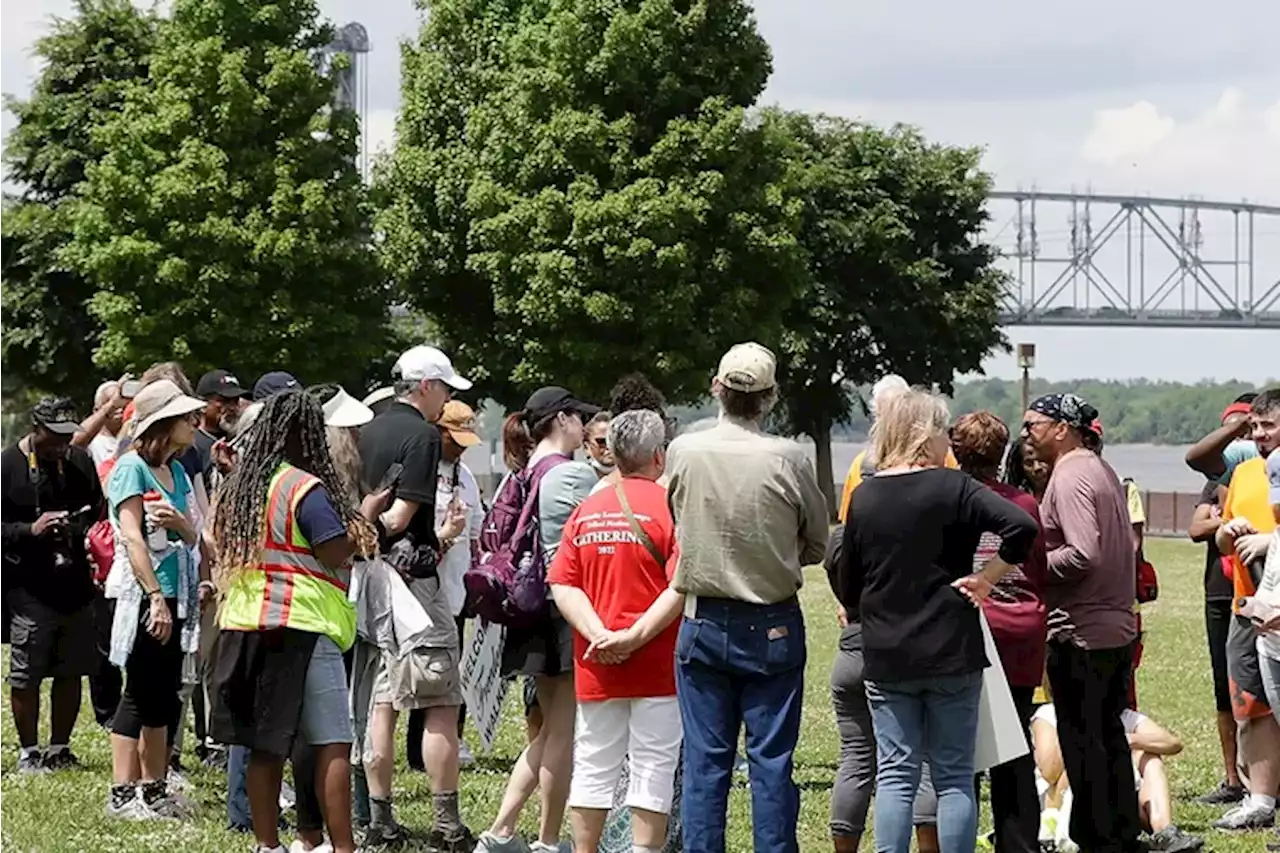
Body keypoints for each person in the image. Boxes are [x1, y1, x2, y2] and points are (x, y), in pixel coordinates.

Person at [837, 390, 1037, 853]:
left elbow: (849, 584)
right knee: (952, 776)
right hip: (952, 647)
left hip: (887, 651)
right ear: (927, 435)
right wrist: (988, 577)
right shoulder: (956, 487)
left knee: (896, 774)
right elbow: (1022, 528)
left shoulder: (865, 497)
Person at [664, 342, 827, 853]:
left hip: (703, 619)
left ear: (717, 387)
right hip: (773, 620)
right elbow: (818, 541)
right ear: (770, 397)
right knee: (772, 762)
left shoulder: (683, 451)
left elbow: (676, 521)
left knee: (704, 764)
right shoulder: (789, 458)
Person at [209, 390, 387, 853]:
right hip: (302, 624)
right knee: (333, 741)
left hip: (245, 622)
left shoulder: (241, 487)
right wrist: (365, 519)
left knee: (265, 743)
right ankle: (344, 847)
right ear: (305, 433)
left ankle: (267, 846)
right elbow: (332, 550)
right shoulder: (301, 486)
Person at [548, 410, 684, 853]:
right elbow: (680, 585)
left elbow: (562, 582)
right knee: (653, 765)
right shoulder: (669, 509)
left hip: (596, 663)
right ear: (659, 457)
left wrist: (598, 634)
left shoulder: (588, 508)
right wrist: (634, 637)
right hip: (657, 663)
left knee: (593, 763)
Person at [357, 345, 474, 850]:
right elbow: (401, 518)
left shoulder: (365, 427)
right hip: (415, 585)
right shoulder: (423, 435)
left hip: (368, 581)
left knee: (380, 703)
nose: (445, 399)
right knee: (440, 702)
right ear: (425, 385)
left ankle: (381, 822)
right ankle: (447, 825)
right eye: (445, 389)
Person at [477, 385, 601, 853]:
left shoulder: (524, 472)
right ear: (563, 420)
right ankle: (548, 842)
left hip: (529, 610)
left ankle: (502, 830)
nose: (585, 427)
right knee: (562, 732)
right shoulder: (570, 476)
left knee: (549, 729)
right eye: (579, 418)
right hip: (560, 612)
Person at [1021, 392, 1142, 853]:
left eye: (1033, 424)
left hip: (1079, 630)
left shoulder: (1069, 477)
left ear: (1061, 428)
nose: (1026, 433)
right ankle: (1120, 832)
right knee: (1109, 734)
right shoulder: (1101, 470)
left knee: (1083, 739)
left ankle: (1097, 836)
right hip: (1113, 628)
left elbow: (1082, 553)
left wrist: (1032, 568)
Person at [104, 379, 206, 819]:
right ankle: (123, 794)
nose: (194, 423)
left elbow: (195, 536)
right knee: (140, 693)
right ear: (163, 422)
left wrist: (184, 527)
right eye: (187, 417)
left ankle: (155, 788)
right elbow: (131, 537)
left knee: (164, 694)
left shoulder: (177, 471)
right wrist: (154, 598)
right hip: (143, 594)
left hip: (175, 591)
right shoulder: (131, 468)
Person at [950, 411, 1048, 853]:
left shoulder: (948, 501)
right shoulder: (1024, 505)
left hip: (965, 634)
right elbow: (1040, 568)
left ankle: (957, 840)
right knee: (1014, 749)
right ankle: (1019, 843)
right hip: (1020, 633)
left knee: (959, 753)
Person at [0, 398, 106, 773]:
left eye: (68, 436)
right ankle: (29, 751)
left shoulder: (79, 461)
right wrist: (32, 530)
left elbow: (97, 507)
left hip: (74, 584)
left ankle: (60, 748)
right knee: (26, 672)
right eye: (55, 436)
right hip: (28, 587)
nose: (62, 444)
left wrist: (77, 528)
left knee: (71, 669)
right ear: (35, 428)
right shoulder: (8, 465)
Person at [406, 401, 486, 772]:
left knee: (448, 672)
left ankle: (448, 741)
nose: (460, 448)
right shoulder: (419, 473)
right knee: (416, 673)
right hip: (416, 589)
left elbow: (477, 532)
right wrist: (444, 535)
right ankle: (415, 748)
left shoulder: (466, 477)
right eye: (455, 439)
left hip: (454, 591)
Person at [1215, 389, 1280, 831]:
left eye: (1268, 426)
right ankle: (1260, 799)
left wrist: (1270, 541)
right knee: (1252, 705)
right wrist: (1230, 530)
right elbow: (1220, 540)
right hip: (1247, 605)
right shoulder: (1246, 472)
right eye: (1255, 427)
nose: (1259, 435)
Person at [1187, 400, 1254, 806]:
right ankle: (1233, 778)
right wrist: (1221, 521)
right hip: (1219, 588)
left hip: (1257, 587)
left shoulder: (1260, 470)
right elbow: (1197, 528)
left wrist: (1218, 520)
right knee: (1223, 687)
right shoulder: (1217, 479)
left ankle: (1263, 780)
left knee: (1260, 687)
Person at [1031, 704, 1203, 853]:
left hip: (1119, 796)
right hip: (1060, 800)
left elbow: (1173, 743)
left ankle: (1164, 831)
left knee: (1150, 758)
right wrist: (1076, 726)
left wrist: (1129, 740)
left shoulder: (1122, 716)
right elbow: (1050, 772)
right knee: (1087, 755)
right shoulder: (1048, 714)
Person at [837, 374, 959, 522]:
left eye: (898, 416)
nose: (892, 424)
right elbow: (847, 525)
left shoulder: (944, 458)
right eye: (887, 417)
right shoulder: (861, 466)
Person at [194, 369, 249, 480]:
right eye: (224, 400)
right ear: (203, 404)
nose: (233, 407)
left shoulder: (241, 443)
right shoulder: (192, 446)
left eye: (236, 400)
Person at [583, 411, 614, 479]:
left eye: (612, 440)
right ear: (586, 447)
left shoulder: (632, 476)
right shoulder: (582, 478)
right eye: (601, 441)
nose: (608, 446)